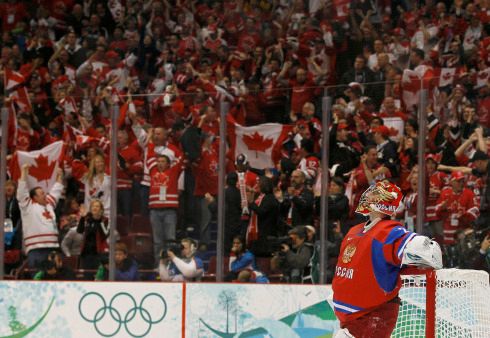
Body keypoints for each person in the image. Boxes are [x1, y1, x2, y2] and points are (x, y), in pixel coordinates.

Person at [332, 181, 443, 338]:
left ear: (385, 202)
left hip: (373, 315)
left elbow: (432, 255)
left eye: (375, 193)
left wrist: (409, 261)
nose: (368, 195)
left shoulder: (389, 231)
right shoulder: (354, 231)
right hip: (352, 318)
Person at [17, 164, 64, 269]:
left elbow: (57, 190)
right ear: (34, 197)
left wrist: (60, 175)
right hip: (36, 250)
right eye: (42, 193)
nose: (45, 195)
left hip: (53, 248)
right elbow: (21, 192)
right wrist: (24, 172)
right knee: (37, 278)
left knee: (54, 279)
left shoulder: (49, 204)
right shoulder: (27, 206)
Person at [77, 199, 111, 269]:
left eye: (97, 206)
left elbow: (105, 235)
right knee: (87, 276)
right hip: (86, 253)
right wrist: (82, 217)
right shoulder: (87, 219)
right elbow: (79, 230)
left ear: (101, 209)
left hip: (98, 253)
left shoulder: (105, 220)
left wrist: (99, 220)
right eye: (93, 206)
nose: (95, 208)